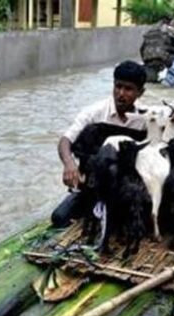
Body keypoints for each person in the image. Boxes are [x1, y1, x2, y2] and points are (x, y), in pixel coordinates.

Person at [52, 60, 147, 227]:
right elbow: (65, 140)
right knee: (59, 217)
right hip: (92, 187)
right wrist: (69, 164)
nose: (121, 94)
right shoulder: (94, 113)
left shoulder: (146, 119)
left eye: (128, 89)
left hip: (128, 190)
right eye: (118, 86)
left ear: (140, 92)